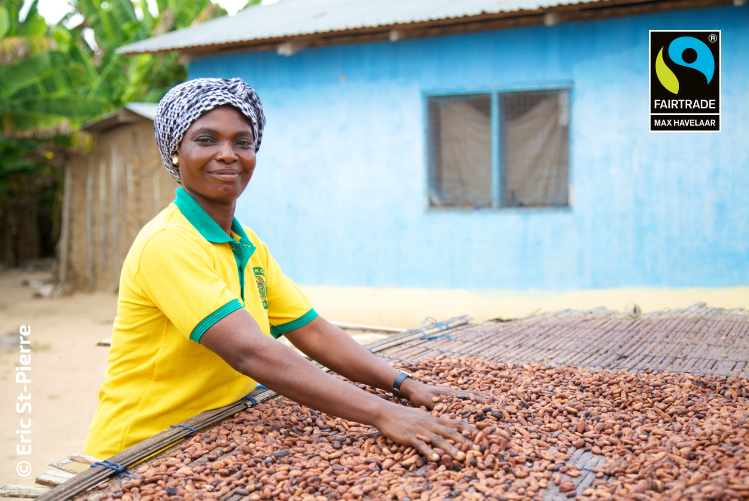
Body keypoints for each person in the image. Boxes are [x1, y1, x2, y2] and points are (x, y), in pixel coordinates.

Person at [83, 78, 486, 461]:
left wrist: (404, 386)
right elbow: (249, 351)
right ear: (175, 151)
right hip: (144, 446)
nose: (228, 154)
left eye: (243, 142)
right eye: (206, 140)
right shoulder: (168, 243)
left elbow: (311, 330)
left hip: (213, 431)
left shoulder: (247, 244)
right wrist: (383, 413)